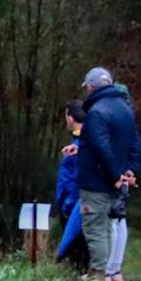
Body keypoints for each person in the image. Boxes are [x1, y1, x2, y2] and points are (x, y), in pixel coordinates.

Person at [76, 66, 141, 281]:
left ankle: (99, 277)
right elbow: (134, 143)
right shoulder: (125, 109)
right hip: (118, 180)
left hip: (97, 182)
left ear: (91, 87)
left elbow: (102, 147)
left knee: (97, 229)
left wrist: (114, 175)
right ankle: (111, 277)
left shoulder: (96, 112)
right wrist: (129, 170)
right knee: (113, 226)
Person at [55, 100, 87, 271]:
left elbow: (72, 181)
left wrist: (66, 206)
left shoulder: (78, 146)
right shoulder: (84, 141)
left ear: (71, 117)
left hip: (74, 207)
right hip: (76, 204)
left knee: (78, 255)